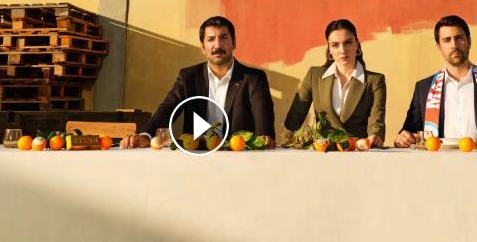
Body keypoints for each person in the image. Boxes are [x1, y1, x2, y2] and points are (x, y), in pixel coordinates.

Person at [120, 16, 276, 149]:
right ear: (202, 47)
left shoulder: (253, 78)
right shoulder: (189, 77)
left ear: (234, 43)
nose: (217, 45)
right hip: (196, 154)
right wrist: (145, 135)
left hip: (238, 156)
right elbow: (167, 109)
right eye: (211, 39)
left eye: (224, 37)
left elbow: (264, 120)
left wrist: (265, 139)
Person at [394, 15, 477, 147]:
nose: (454, 45)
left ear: (469, 42)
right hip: (438, 161)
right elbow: (408, 132)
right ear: (438, 47)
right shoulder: (424, 88)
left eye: (459, 38)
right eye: (447, 40)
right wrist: (403, 138)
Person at [282, 19, 386, 147]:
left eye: (348, 43)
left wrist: (375, 136)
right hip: (323, 152)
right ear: (329, 48)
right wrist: (285, 144)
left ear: (357, 44)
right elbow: (295, 115)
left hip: (357, 151)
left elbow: (376, 120)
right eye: (335, 45)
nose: (342, 50)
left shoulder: (375, 80)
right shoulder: (314, 75)